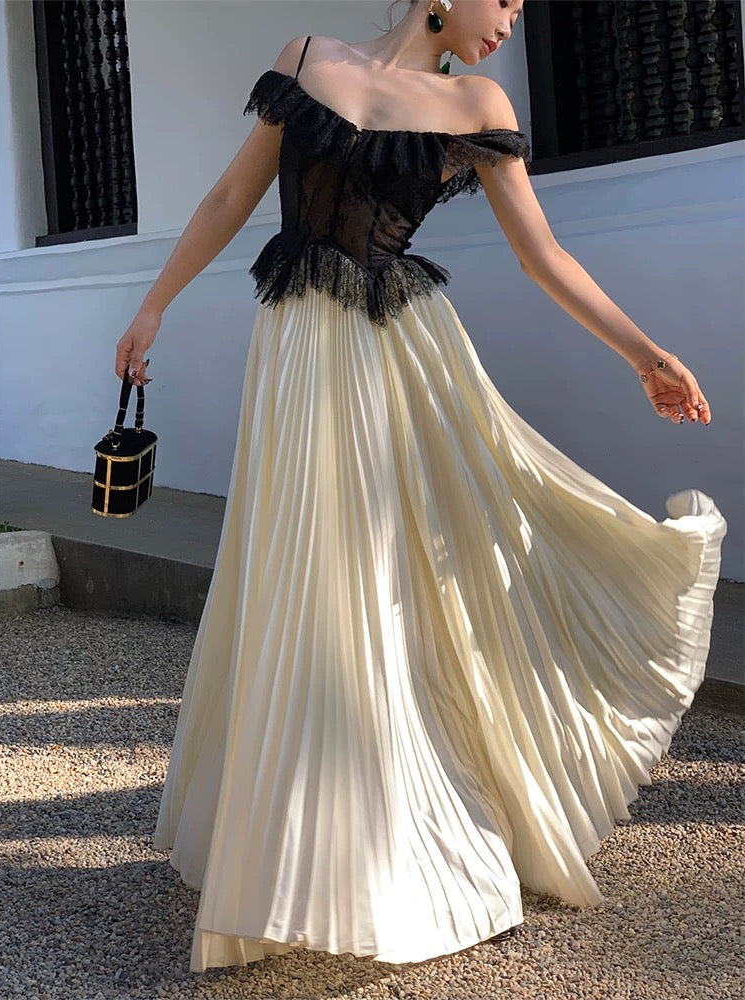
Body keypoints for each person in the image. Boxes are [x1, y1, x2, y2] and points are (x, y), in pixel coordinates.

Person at [115, 0, 727, 975]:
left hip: (399, 363)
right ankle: (285, 845)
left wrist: (645, 354)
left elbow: (541, 254)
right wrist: (152, 305)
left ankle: (392, 845)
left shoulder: (476, 104)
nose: (513, 21)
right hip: (298, 357)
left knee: (387, 580)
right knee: (303, 578)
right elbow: (231, 196)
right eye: (507, 0)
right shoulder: (304, 59)